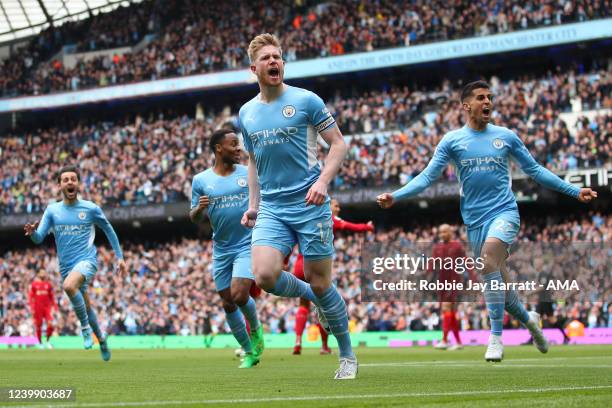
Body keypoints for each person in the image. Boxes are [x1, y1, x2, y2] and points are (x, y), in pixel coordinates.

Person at [377, 81, 597, 362]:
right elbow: (427, 176)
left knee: (489, 258)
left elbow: (536, 171)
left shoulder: (506, 136)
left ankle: (495, 338)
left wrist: (574, 191)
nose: (488, 102)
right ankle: (530, 321)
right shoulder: (452, 140)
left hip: (504, 212)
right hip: (474, 221)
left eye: (490, 97)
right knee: (504, 294)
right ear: (466, 105)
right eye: (481, 97)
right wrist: (396, 196)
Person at [238, 33, 357, 379]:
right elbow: (253, 162)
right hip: (273, 208)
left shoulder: (306, 101)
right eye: (266, 58)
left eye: (278, 57)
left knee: (322, 283)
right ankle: (318, 300)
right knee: (264, 276)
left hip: (310, 202)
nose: (274, 62)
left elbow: (338, 144)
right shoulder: (246, 113)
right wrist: (253, 205)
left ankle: (347, 355)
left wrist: (323, 182)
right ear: (254, 68)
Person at [24, 165, 126, 361]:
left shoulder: (90, 208)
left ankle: (85, 328)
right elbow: (39, 238)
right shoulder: (52, 210)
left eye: (73, 178)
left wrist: (119, 257)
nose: (69, 182)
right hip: (65, 267)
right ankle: (102, 340)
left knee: (69, 286)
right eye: (65, 179)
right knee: (86, 307)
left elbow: (109, 229)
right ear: (60, 185)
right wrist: (32, 234)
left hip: (87, 260)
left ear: (78, 183)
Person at [190, 128, 264, 369]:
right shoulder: (201, 180)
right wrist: (199, 210)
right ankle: (249, 350)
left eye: (239, 144)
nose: (238, 149)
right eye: (233, 144)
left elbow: (262, 201)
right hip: (221, 248)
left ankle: (257, 334)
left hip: (246, 242)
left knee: (240, 294)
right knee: (227, 302)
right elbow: (194, 218)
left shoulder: (247, 173)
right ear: (218, 148)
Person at [292, 198, 373, 355]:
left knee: (303, 305)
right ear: (327, 205)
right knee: (322, 305)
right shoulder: (329, 217)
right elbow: (351, 226)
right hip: (315, 266)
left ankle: (297, 341)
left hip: (299, 265)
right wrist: (367, 227)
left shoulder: (306, 215)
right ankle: (324, 346)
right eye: (335, 205)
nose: (338, 208)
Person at [430, 224, 464, 351]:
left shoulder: (457, 246)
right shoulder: (438, 247)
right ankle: (459, 342)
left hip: (453, 282)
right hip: (441, 282)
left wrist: (473, 279)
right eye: (440, 232)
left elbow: (466, 261)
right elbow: (432, 263)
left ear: (450, 232)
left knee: (446, 308)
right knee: (450, 312)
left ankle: (444, 340)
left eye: (445, 232)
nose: (442, 234)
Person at [28, 270, 57, 349]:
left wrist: (55, 308)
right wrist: (32, 308)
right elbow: (31, 297)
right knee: (39, 326)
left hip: (47, 308)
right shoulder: (34, 285)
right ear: (38, 274)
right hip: (38, 308)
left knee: (50, 324)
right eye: (41, 273)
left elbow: (52, 297)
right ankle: (40, 343)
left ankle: (47, 341)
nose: (43, 274)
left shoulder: (48, 285)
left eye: (44, 273)